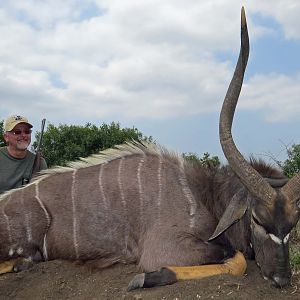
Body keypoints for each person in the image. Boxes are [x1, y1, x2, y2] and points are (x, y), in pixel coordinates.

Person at [0, 115, 47, 194]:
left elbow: (44, 192)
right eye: (17, 132)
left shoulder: (39, 162)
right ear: (6, 137)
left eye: (27, 132)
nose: (23, 135)